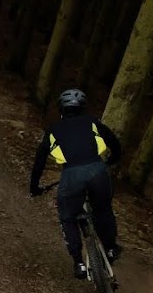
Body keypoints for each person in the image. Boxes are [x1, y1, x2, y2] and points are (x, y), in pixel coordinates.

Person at [28, 88, 123, 279]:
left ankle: (79, 262)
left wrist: (34, 187)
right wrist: (112, 160)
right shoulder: (92, 122)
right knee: (103, 209)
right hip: (97, 170)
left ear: (61, 109)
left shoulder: (53, 130)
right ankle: (111, 248)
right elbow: (114, 143)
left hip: (71, 176)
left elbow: (39, 161)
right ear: (83, 107)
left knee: (68, 217)